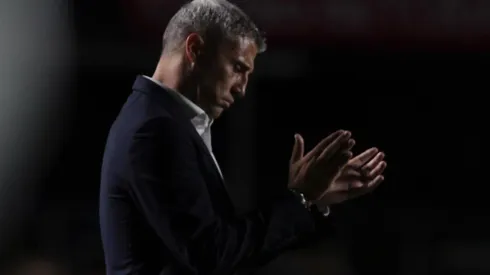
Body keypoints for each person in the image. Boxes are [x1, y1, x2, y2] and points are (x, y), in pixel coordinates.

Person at [99, 0, 387, 274]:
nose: (242, 89)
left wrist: (307, 201)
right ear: (195, 48)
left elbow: (224, 251)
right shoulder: (154, 130)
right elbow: (212, 256)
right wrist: (300, 197)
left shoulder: (162, 121)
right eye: (238, 68)